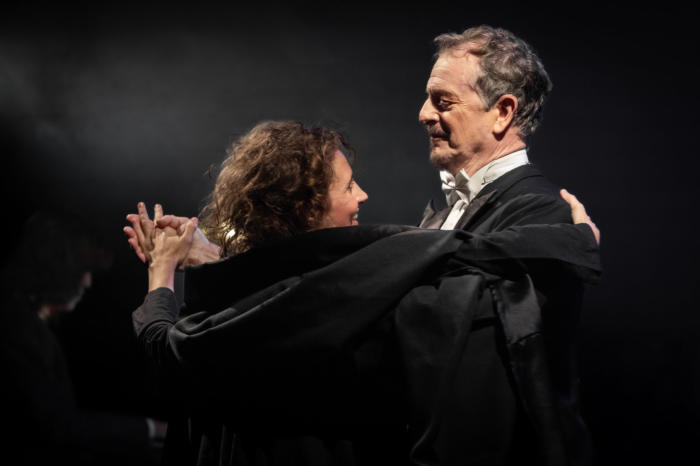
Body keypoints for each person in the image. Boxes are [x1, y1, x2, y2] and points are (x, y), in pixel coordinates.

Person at [124, 120, 600, 466]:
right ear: (306, 206)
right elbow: (454, 251)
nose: (362, 196)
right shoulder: (337, 286)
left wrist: (169, 272)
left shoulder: (251, 299)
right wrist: (571, 242)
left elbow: (172, 338)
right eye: (349, 185)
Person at [417, 25, 597, 465]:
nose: (423, 114)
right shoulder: (442, 212)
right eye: (427, 99)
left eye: (442, 101)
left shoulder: (544, 213)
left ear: (502, 112)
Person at [0, 210, 165, 466]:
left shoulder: (29, 325)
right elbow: (56, 428)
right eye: (83, 270)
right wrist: (151, 429)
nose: (87, 282)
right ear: (56, 268)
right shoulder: (18, 330)